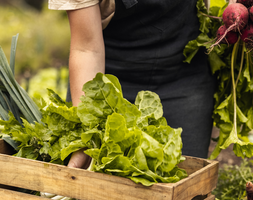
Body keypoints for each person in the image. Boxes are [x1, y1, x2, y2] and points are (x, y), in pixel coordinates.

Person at [48, 0, 234, 169]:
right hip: (108, 84)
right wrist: (87, 131)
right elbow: (86, 49)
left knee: (184, 184)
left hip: (185, 73)